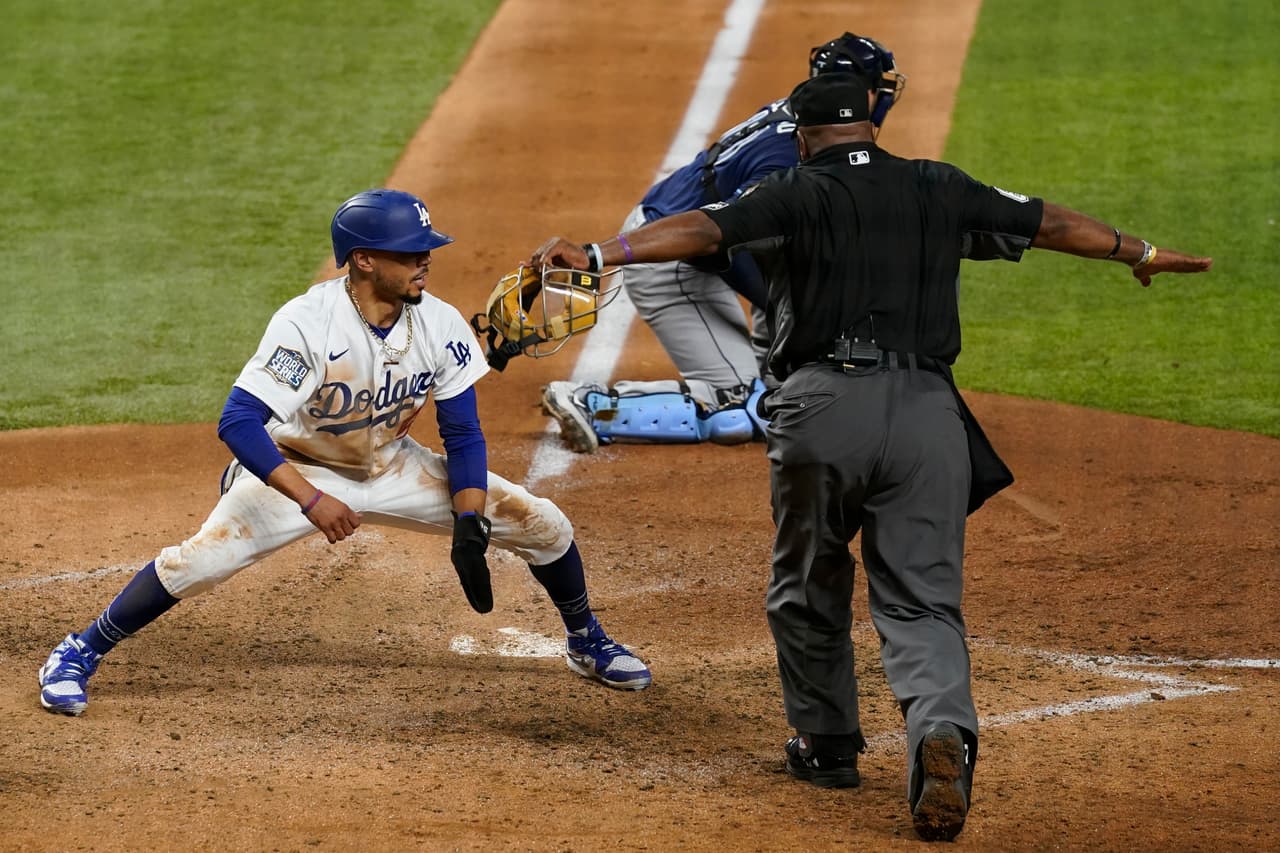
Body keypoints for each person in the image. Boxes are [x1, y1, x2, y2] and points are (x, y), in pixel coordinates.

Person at [527, 68, 1211, 840]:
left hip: (821, 414)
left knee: (809, 575)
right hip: (928, 415)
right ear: (871, 129)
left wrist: (599, 251)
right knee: (921, 600)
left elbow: (699, 230)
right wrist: (1139, 250)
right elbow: (1048, 222)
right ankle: (939, 734)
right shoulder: (936, 185)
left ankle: (825, 747)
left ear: (804, 137)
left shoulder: (791, 190)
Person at [37, 188, 652, 717]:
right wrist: (310, 501)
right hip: (301, 466)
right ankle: (80, 649)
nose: (425, 262)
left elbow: (462, 433)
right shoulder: (307, 324)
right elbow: (239, 420)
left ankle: (586, 639)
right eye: (410, 252)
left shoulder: (437, 325)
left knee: (543, 523)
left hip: (392, 462)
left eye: (427, 250)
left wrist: (470, 520)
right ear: (362, 260)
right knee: (199, 563)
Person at [540, 32, 1024, 454]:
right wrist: (786, 306)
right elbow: (722, 242)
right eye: (880, 85)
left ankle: (773, 370)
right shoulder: (786, 156)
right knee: (738, 407)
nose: (887, 95)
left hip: (698, 244)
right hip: (674, 254)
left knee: (788, 322)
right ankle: (593, 404)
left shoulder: (807, 124)